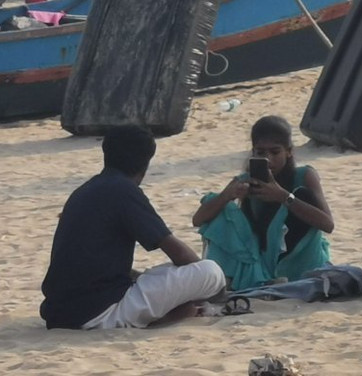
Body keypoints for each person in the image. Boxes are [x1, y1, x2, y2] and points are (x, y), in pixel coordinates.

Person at [40, 125, 225, 329]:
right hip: (98, 313)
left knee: (152, 275)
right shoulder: (123, 191)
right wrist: (209, 287)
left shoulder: (84, 191)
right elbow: (181, 256)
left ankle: (163, 311)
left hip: (58, 312)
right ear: (145, 163)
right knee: (210, 271)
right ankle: (163, 317)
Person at [192, 116, 333, 290]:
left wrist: (284, 197)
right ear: (253, 152)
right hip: (263, 259)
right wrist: (227, 196)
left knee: (301, 196)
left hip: (301, 259)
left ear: (289, 151)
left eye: (275, 152)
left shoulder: (304, 176)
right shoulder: (246, 181)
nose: (268, 159)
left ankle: (280, 275)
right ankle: (225, 281)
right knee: (221, 208)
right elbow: (198, 220)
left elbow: (328, 224)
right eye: (260, 153)